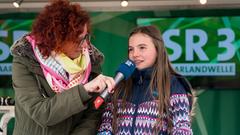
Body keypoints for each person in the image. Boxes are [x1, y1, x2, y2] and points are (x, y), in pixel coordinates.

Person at [10, 0, 115, 134]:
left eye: (86, 36)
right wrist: (84, 90)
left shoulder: (91, 63)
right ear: (56, 40)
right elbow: (42, 113)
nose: (85, 45)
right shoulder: (25, 61)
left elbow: (92, 114)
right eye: (78, 40)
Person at [98, 25, 194, 135]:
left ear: (158, 49)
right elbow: (106, 125)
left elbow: (182, 128)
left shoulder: (173, 84)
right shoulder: (120, 83)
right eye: (131, 49)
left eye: (142, 48)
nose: (135, 54)